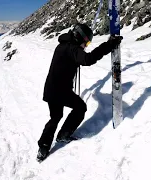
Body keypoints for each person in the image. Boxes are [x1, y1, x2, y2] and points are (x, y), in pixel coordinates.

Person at [37, 23, 123, 161]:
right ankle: (63, 135)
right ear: (79, 38)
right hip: (61, 91)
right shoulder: (72, 48)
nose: (87, 45)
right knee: (80, 107)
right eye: (86, 42)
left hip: (51, 90)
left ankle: (43, 147)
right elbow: (88, 59)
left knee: (55, 117)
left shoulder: (63, 46)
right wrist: (108, 45)